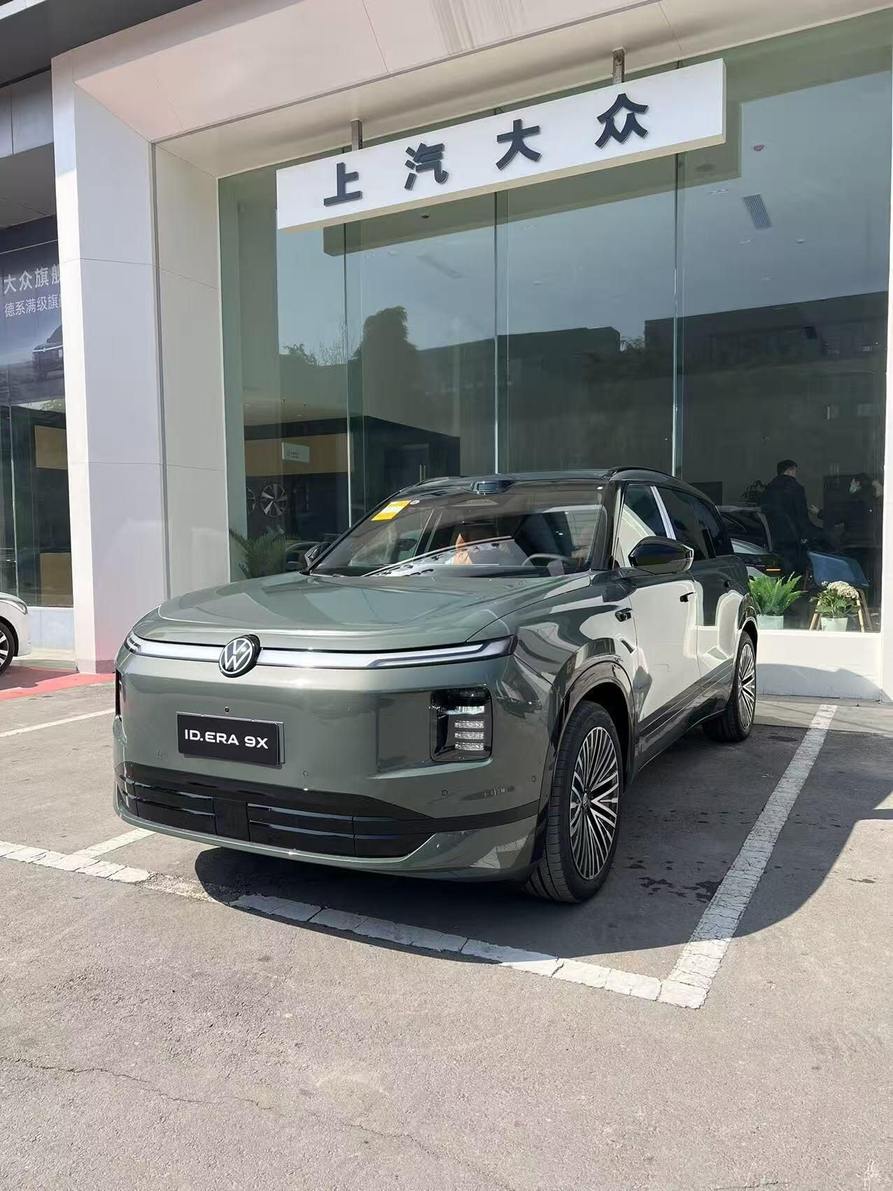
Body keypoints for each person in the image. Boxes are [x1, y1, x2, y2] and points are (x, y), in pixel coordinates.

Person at [760, 459, 819, 578]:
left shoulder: (768, 489)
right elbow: (801, 515)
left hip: (772, 536)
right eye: (795, 471)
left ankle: (778, 583)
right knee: (796, 571)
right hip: (793, 537)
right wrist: (806, 534)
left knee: (776, 569)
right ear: (790, 470)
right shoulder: (796, 488)